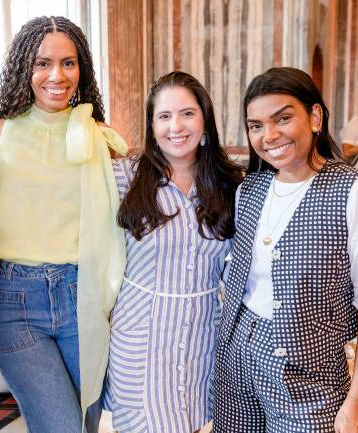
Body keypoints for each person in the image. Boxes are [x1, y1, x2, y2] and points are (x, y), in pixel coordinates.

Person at [213, 67, 358, 433]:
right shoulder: (248, 190)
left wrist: (355, 406)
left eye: (283, 118)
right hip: (236, 364)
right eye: (255, 125)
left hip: (309, 379)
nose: (269, 135)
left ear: (314, 117)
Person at [0, 16, 127, 433]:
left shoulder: (104, 139)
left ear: (82, 70)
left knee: (88, 424)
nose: (56, 75)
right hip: (16, 300)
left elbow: (125, 220)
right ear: (25, 67)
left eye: (68, 63)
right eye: (42, 63)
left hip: (85, 293)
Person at [104, 71, 244, 433]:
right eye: (164, 116)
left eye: (187, 113)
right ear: (151, 127)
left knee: (194, 422)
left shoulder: (231, 184)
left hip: (202, 334)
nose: (176, 126)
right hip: (141, 337)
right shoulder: (123, 178)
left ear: (204, 120)